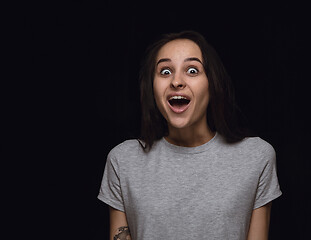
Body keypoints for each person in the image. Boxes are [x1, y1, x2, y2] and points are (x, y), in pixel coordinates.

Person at [98, 30, 282, 240]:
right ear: (152, 87)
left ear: (212, 84)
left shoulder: (256, 157)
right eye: (165, 72)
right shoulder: (123, 160)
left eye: (192, 70)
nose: (176, 81)